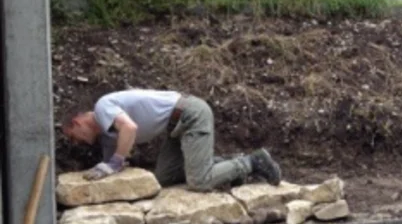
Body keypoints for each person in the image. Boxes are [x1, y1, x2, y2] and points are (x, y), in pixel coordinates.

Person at [62, 89, 282, 191]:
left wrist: (115, 162)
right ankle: (229, 164)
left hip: (190, 114)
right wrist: (107, 169)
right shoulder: (107, 133)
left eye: (73, 137)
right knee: (163, 179)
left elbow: (129, 128)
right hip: (175, 127)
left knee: (199, 181)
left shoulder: (103, 107)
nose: (76, 143)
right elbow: (113, 163)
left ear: (78, 122)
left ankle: (252, 162)